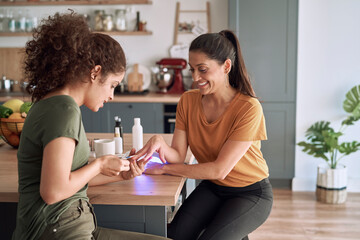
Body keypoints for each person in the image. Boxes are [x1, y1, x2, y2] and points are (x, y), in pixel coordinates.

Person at [12, 12, 169, 240]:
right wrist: (100, 164)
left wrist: (121, 175)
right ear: (95, 72)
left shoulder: (55, 104)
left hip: (71, 226)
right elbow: (53, 191)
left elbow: (71, 179)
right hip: (59, 231)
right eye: (113, 85)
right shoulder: (64, 111)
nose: (112, 96)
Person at [134, 30, 273, 240]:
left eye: (203, 69)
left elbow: (219, 169)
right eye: (192, 69)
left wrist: (164, 170)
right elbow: (179, 154)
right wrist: (160, 142)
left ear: (226, 66)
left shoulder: (248, 108)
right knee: (174, 235)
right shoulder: (188, 101)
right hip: (213, 188)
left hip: (250, 192)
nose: (196, 77)